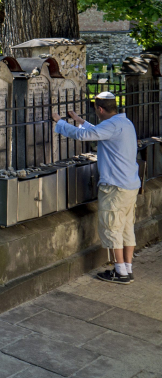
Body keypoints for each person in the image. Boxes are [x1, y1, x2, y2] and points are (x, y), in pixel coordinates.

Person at [51, 91, 140, 284]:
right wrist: (80, 120)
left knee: (111, 227)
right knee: (126, 228)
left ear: (99, 109)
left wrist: (60, 122)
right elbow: (99, 131)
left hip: (115, 187)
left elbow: (82, 135)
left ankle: (120, 272)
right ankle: (127, 269)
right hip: (130, 185)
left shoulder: (111, 126)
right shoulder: (124, 122)